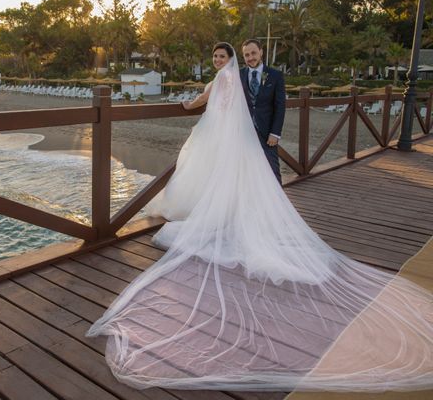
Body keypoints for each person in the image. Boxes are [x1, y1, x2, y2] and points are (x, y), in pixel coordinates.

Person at [85, 43, 433, 392]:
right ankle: (231, 213)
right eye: (220, 57)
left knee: (248, 180)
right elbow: (207, 97)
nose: (224, 61)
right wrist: (190, 104)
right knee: (231, 180)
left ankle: (237, 215)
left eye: (228, 56)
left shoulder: (255, 77)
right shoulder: (231, 76)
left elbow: (254, 103)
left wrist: (262, 128)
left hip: (249, 138)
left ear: (248, 56)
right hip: (234, 138)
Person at [239, 39, 285, 184]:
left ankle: (278, 205)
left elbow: (280, 106)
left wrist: (275, 133)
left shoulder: (275, 75)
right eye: (246, 55)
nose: (250, 57)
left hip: (267, 134)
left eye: (253, 53)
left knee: (273, 172)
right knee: (246, 172)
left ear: (261, 52)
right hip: (243, 134)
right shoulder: (238, 75)